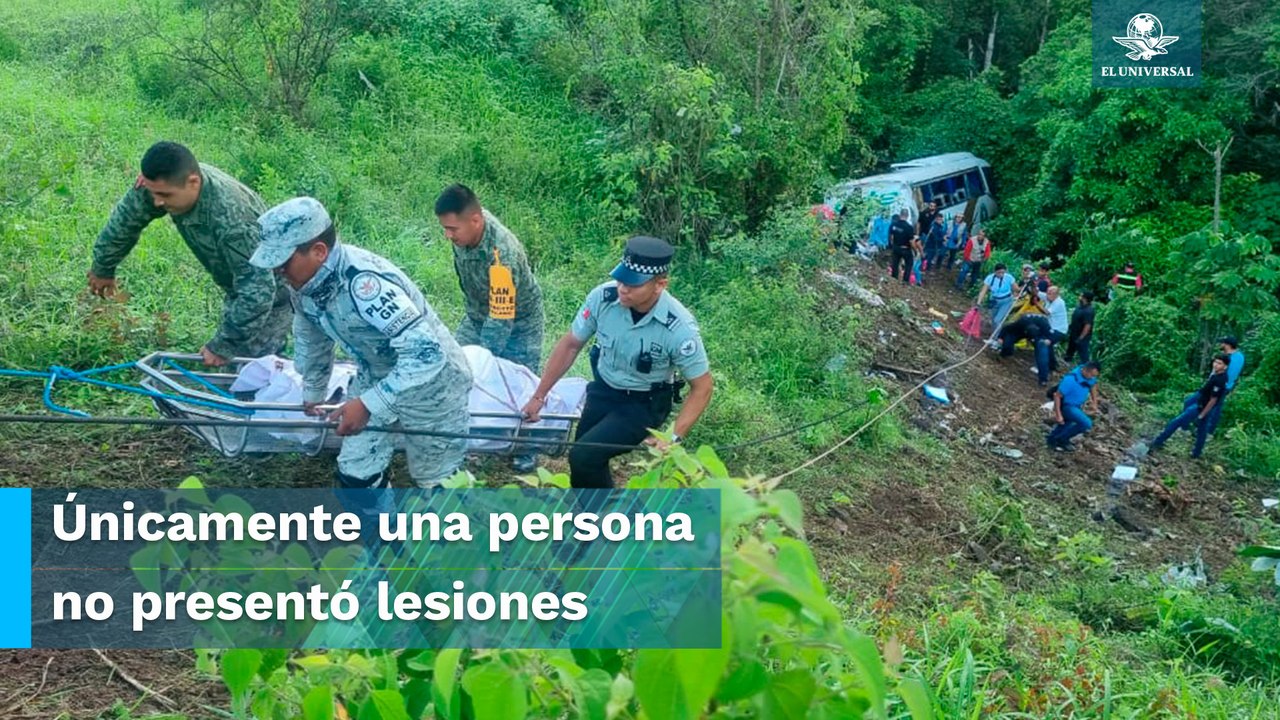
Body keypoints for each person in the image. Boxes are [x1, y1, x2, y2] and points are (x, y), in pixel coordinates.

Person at [250, 197, 472, 489]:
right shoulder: (303, 286)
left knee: (438, 482)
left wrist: (367, 404)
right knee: (355, 475)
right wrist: (314, 390)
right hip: (376, 374)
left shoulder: (366, 284)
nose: (276, 270)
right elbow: (311, 337)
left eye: (282, 261)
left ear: (318, 251)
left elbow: (426, 354)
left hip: (433, 385)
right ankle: (385, 533)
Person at [521, 237, 713, 489]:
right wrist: (539, 395)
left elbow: (703, 386)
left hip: (644, 403)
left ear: (660, 285)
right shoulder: (603, 298)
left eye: (633, 284)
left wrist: (673, 436)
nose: (623, 288)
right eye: (621, 279)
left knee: (585, 456)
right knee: (580, 458)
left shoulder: (678, 328)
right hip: (604, 390)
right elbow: (570, 345)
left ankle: (613, 521)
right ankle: (589, 521)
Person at [88, 141, 291, 365]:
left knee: (253, 373)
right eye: (153, 192)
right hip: (239, 285)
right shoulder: (164, 185)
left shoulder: (233, 219)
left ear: (194, 182)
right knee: (234, 371)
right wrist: (103, 266)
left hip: (277, 290)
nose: (157, 201)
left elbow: (259, 290)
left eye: (164, 195)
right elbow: (125, 221)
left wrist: (224, 345)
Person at [434, 184, 545, 472]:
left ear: (475, 221)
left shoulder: (501, 254)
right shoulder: (465, 232)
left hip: (519, 321)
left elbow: (501, 317)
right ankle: (463, 439)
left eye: (452, 229)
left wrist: (483, 360)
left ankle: (525, 447)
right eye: (444, 228)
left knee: (520, 384)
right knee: (454, 370)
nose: (448, 235)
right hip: (477, 314)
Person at [1149, 355, 1229, 459]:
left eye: (1219, 363)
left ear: (1225, 366)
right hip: (1203, 406)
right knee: (1202, 431)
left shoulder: (1220, 380)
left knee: (1176, 421)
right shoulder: (1217, 375)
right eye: (1215, 362)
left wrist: (1202, 414)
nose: (1216, 365)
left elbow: (1213, 400)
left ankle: (1158, 442)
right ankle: (1196, 453)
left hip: (1201, 407)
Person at [1047, 361, 1101, 452]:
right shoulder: (1070, 379)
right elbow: (1057, 396)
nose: (1092, 378)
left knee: (1065, 424)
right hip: (1067, 406)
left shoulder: (1089, 376)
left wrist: (1094, 403)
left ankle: (1052, 440)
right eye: (1091, 375)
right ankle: (1062, 439)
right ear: (1086, 371)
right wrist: (1058, 415)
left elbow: (1093, 385)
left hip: (1077, 405)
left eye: (1094, 376)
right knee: (1086, 423)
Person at [1206, 336, 1245, 434]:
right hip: (1224, 385)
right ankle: (1205, 428)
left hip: (1221, 386)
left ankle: (1208, 430)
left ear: (1227, 345)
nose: (1220, 345)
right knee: (1213, 406)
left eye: (1222, 343)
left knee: (1214, 408)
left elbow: (1229, 374)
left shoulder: (1233, 358)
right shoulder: (1237, 356)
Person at [974, 263, 1015, 333]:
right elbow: (983, 291)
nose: (1001, 274)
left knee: (997, 320)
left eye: (1003, 272)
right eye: (999, 273)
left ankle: (998, 339)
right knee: (993, 320)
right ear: (995, 271)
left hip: (1006, 301)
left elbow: (1016, 289)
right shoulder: (990, 278)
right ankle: (993, 337)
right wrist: (978, 303)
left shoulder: (1009, 277)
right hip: (994, 300)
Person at [1039, 285, 1069, 379]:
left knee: (1046, 344)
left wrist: (1036, 304)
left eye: (1050, 293)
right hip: (1052, 328)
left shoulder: (1058, 302)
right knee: (1049, 346)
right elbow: (1039, 293)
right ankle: (1053, 365)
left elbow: (1047, 312)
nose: (1047, 295)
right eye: (1047, 292)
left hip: (1059, 330)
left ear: (1056, 294)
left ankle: (1045, 368)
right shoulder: (1049, 298)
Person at [1064, 291, 1095, 364]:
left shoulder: (1089, 311)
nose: (1079, 297)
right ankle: (1067, 362)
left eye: (1081, 296)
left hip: (1082, 336)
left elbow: (1087, 325)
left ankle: (1085, 367)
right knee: (1070, 350)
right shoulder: (1080, 307)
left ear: (1085, 298)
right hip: (1074, 333)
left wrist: (1081, 337)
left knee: (1083, 353)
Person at [887, 209, 916, 284]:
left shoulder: (894, 225)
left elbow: (891, 236)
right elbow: (911, 241)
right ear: (907, 216)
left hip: (896, 247)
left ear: (900, 215)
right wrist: (915, 250)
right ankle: (905, 281)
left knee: (895, 263)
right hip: (905, 248)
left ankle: (894, 278)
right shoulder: (909, 227)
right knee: (909, 264)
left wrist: (892, 245)